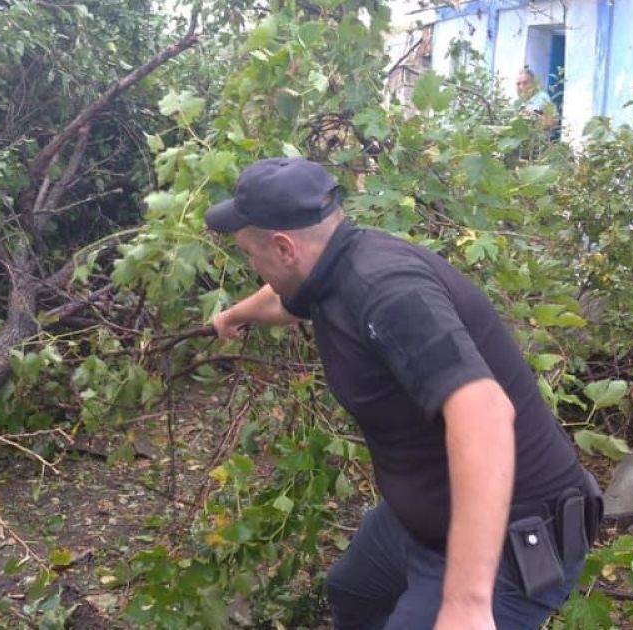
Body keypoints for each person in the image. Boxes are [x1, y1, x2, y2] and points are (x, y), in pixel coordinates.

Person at [204, 157, 601, 630]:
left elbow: (485, 414)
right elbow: (284, 297)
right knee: (354, 590)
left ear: (285, 248)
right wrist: (236, 315)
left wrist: (466, 604)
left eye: (251, 253)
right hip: (424, 520)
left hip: (511, 538)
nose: (252, 266)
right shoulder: (332, 265)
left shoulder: (389, 294)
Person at [515, 68, 558, 134]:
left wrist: (533, 115)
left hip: (539, 142)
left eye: (525, 83)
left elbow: (553, 122)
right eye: (518, 84)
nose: (521, 87)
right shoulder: (520, 103)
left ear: (533, 84)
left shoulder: (542, 97)